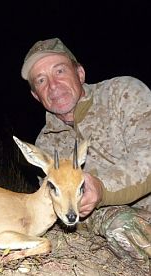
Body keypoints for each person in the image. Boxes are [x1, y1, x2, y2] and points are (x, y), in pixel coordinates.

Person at [20, 37, 151, 261]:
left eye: (59, 71)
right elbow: (56, 205)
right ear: (35, 96)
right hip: (122, 221)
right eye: (41, 80)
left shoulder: (122, 93)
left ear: (80, 73)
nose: (53, 85)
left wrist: (101, 188)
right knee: (121, 225)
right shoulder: (46, 144)